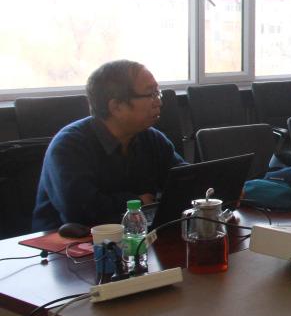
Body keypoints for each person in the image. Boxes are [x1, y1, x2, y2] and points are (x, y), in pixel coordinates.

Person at [33, 60, 185, 232]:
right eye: (151, 94)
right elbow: (81, 210)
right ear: (116, 106)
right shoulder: (68, 146)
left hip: (133, 235)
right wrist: (137, 202)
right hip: (69, 242)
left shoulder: (151, 138)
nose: (159, 102)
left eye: (158, 93)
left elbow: (184, 179)